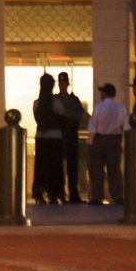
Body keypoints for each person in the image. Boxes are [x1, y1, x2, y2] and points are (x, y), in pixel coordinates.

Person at [86, 83, 129, 205]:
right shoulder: (121, 108)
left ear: (105, 93)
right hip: (115, 140)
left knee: (97, 171)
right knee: (114, 170)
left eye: (102, 92)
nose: (100, 94)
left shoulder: (99, 108)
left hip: (99, 141)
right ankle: (117, 197)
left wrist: (90, 142)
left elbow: (93, 127)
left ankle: (96, 197)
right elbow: (126, 127)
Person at [30, 73, 64, 204]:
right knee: (55, 167)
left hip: (41, 137)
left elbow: (37, 118)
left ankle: (39, 193)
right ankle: (54, 193)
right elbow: (63, 118)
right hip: (55, 137)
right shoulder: (56, 102)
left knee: (41, 167)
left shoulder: (37, 103)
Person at [55, 72, 86, 203]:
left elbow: (80, 114)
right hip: (59, 136)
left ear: (67, 83)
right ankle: (60, 193)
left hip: (71, 135)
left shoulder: (74, 100)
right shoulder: (55, 99)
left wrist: (69, 117)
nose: (63, 85)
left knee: (73, 167)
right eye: (61, 83)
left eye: (64, 82)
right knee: (59, 168)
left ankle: (73, 193)